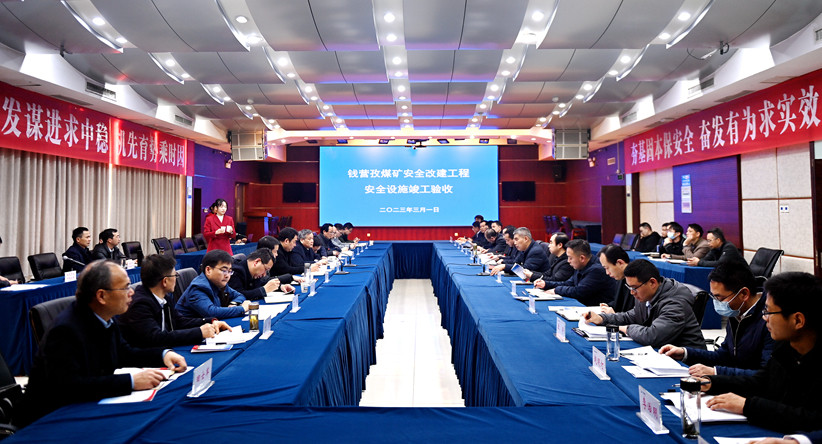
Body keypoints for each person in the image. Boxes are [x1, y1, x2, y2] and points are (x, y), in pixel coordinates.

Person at [18, 260, 187, 426]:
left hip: (88, 408)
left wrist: (163, 355)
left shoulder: (104, 317)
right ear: (101, 296)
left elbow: (125, 353)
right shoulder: (65, 329)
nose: (132, 293)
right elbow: (71, 386)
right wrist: (131, 381)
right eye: (125, 287)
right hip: (52, 420)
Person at [700, 272, 822, 433]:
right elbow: (760, 382)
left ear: (798, 320)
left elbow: (811, 419)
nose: (765, 318)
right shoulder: (785, 347)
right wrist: (712, 383)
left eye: (769, 312)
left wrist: (747, 406)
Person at [659, 258, 774, 377]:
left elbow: (766, 376)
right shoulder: (737, 311)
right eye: (714, 297)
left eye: (720, 298)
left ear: (744, 294)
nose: (717, 303)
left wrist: (715, 372)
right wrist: (685, 353)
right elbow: (723, 356)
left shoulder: (771, 321)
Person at [583, 259, 706, 349]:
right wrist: (602, 318)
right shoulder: (646, 293)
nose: (632, 292)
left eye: (634, 288)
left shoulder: (675, 302)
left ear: (652, 283)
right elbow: (632, 316)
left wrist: (624, 328)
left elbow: (652, 336)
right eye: (629, 287)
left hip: (689, 363)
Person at [118, 254, 230, 347]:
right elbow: (156, 337)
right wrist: (199, 332)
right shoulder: (140, 304)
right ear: (165, 281)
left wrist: (210, 321)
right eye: (175, 275)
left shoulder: (164, 297)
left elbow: (179, 321)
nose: (176, 279)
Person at [535, 239, 616, 306]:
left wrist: (556, 290)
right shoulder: (580, 265)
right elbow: (569, 283)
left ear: (582, 258)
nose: (568, 261)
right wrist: (546, 284)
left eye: (570, 258)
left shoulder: (596, 270)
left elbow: (579, 292)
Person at [175, 250, 250, 320]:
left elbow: (239, 295)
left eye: (230, 271)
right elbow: (211, 312)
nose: (227, 275)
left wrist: (233, 303)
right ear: (208, 270)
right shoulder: (198, 288)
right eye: (224, 270)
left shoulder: (219, 283)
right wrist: (242, 309)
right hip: (192, 328)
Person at [228, 248, 294, 301]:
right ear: (257, 262)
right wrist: (264, 290)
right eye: (265, 269)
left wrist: (279, 287)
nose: (264, 274)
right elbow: (238, 295)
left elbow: (261, 283)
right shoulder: (235, 271)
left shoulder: (254, 272)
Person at [597, 244, 636, 313]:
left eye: (607, 268)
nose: (607, 273)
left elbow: (636, 314)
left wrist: (614, 315)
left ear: (620, 263)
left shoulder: (637, 281)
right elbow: (621, 303)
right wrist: (609, 306)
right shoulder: (621, 277)